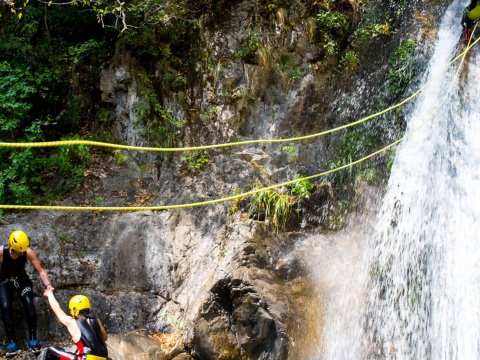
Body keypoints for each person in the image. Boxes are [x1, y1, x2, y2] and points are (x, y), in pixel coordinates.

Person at [0, 230, 53, 356]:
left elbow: (40, 271)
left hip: (21, 280)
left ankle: (33, 340)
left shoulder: (27, 252)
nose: (21, 253)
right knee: (5, 306)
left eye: (23, 250)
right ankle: (11, 342)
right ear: (12, 247)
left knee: (29, 304)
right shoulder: (2, 252)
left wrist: (49, 286)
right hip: (4, 281)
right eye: (19, 251)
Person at [43, 290, 109, 360]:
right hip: (104, 358)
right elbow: (105, 337)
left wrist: (49, 294)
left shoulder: (72, 322)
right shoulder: (97, 321)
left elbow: (56, 309)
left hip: (85, 358)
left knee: (51, 351)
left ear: (75, 310)